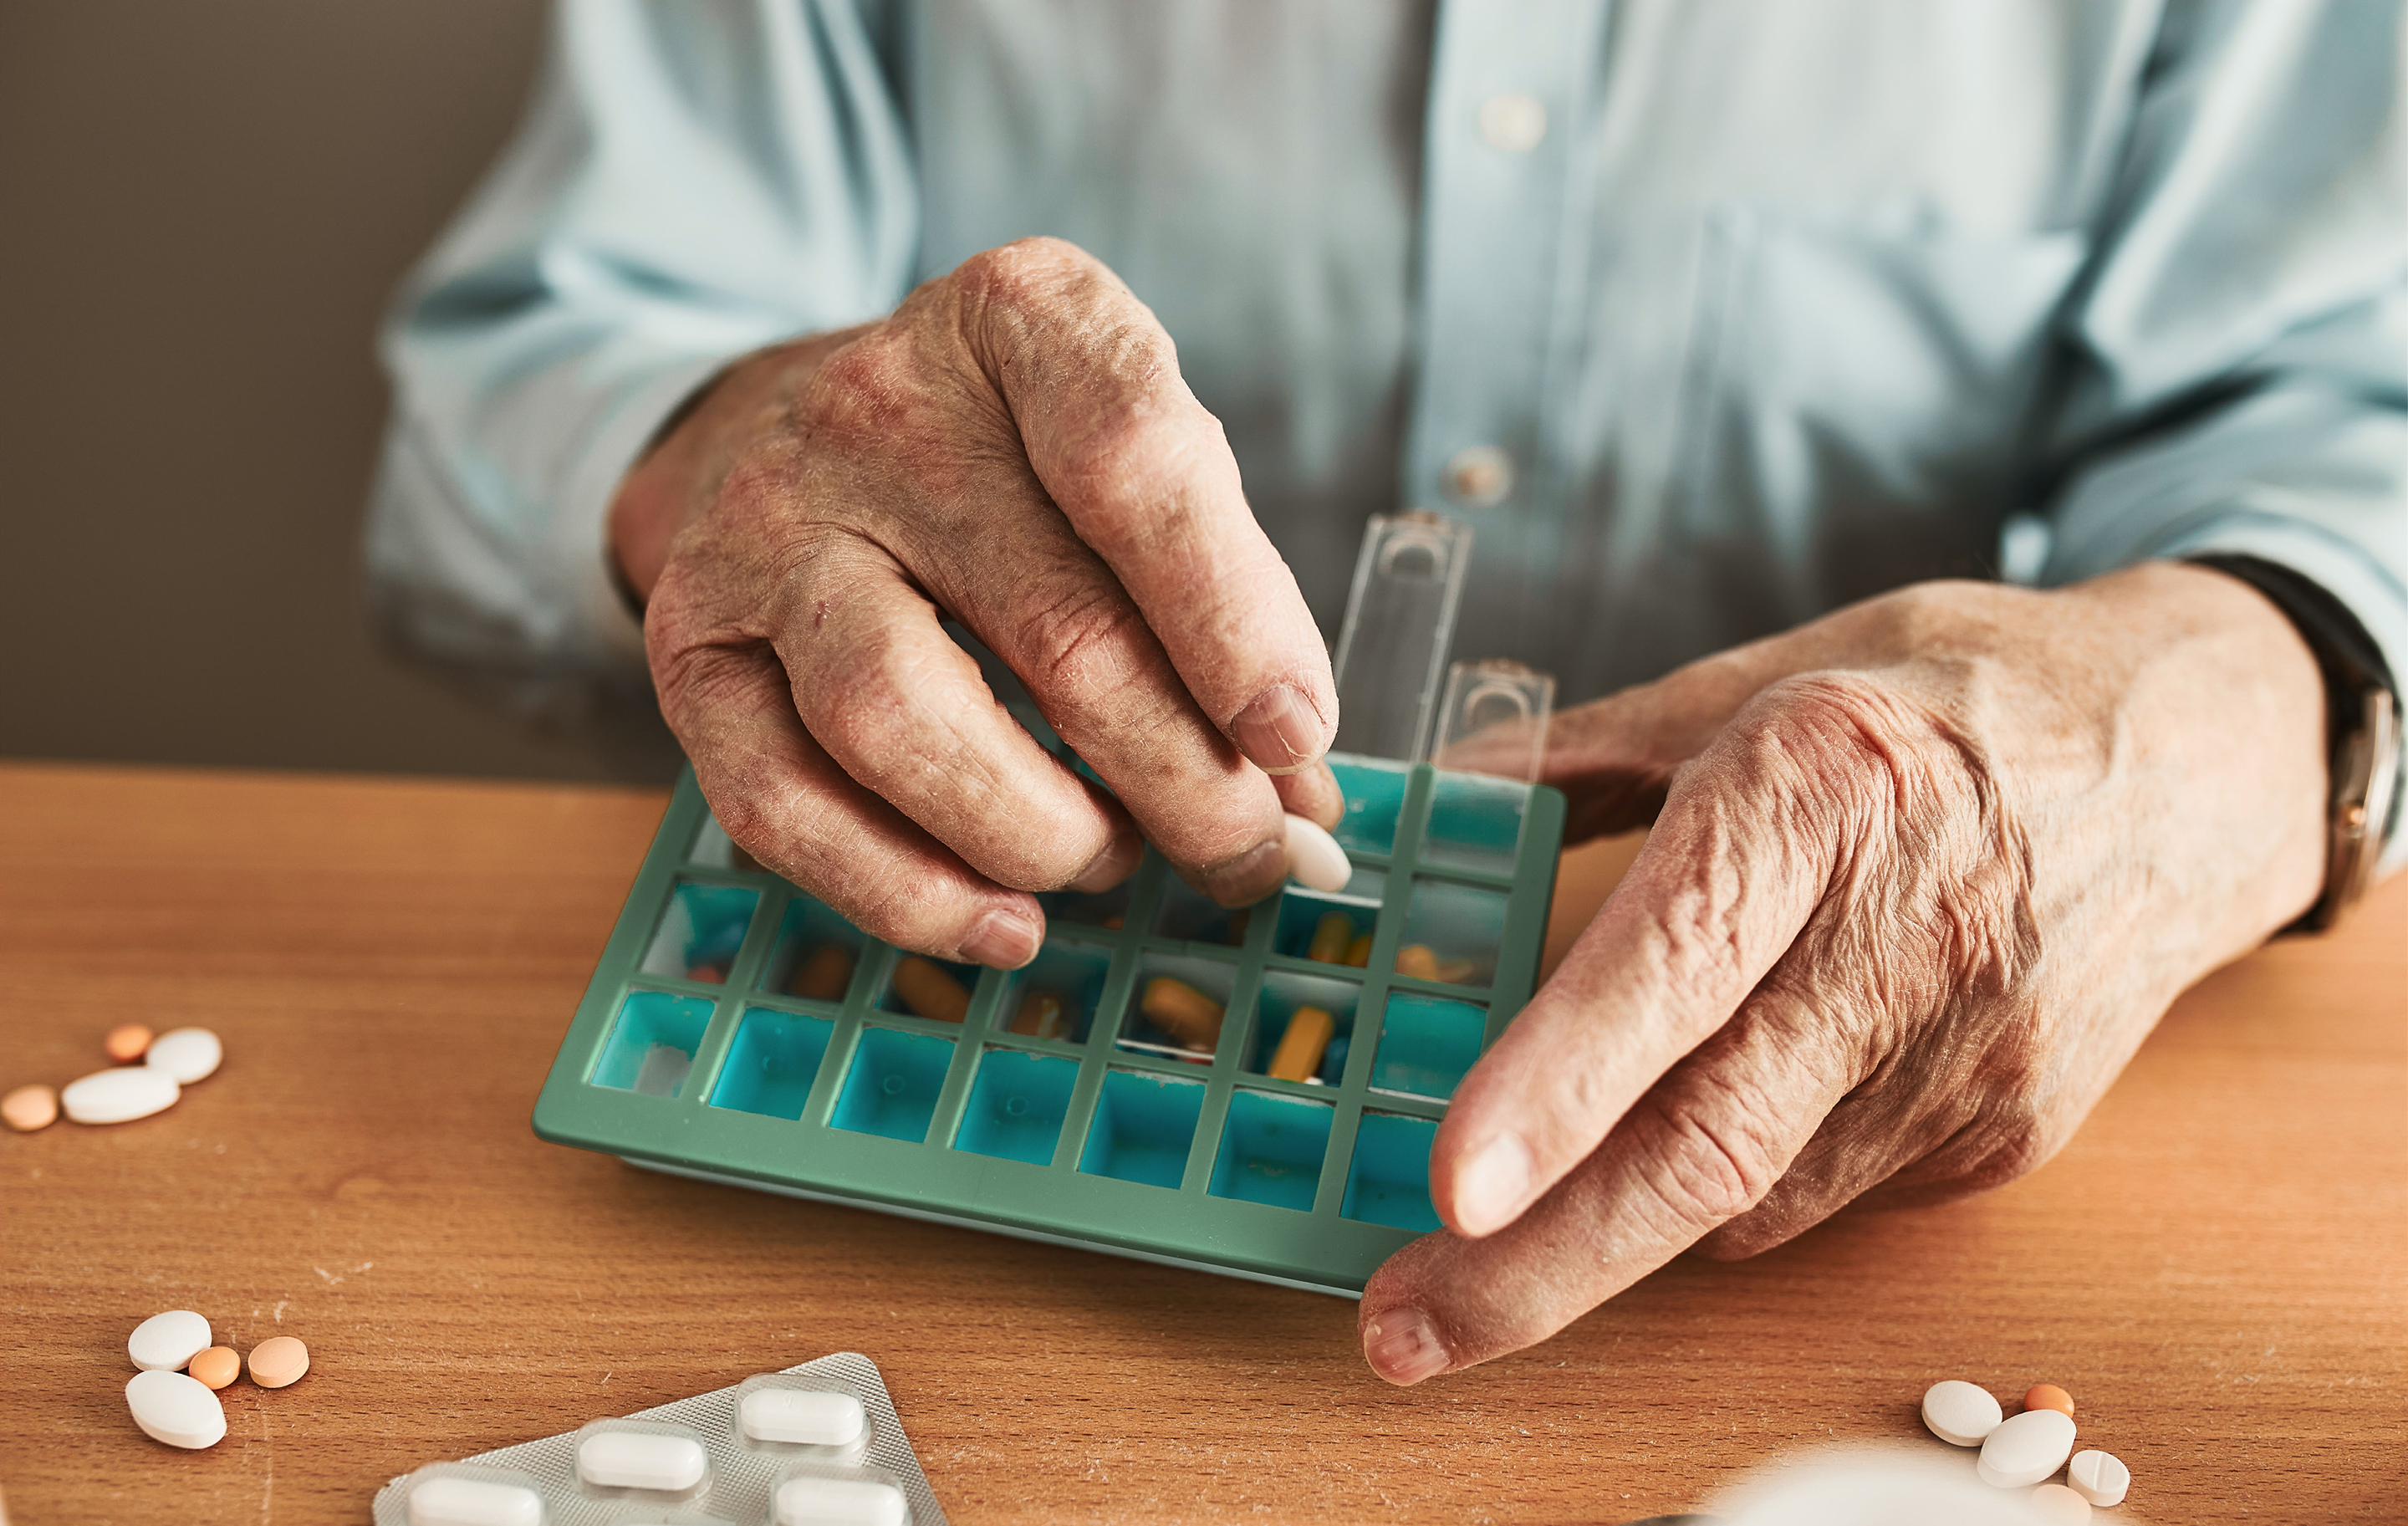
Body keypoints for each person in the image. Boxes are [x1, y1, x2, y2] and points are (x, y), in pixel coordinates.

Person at [368, 1, 2404, 1386]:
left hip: (1816, 1276)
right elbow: (542, 357)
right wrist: (743, 446)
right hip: (955, 1109)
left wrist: (2213, 709)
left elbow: (2343, 423)